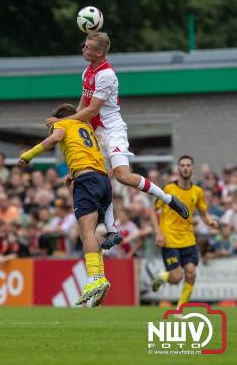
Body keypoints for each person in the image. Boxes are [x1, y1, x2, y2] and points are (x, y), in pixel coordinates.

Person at [46, 32, 189, 242]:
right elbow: (83, 105)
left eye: (87, 47)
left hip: (112, 131)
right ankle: (112, 230)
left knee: (123, 175)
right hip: (96, 133)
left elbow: (92, 110)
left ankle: (168, 199)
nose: (83, 49)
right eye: (84, 46)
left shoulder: (107, 75)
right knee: (99, 177)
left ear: (99, 52)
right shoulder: (87, 72)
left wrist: (63, 123)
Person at [18, 103, 116, 306]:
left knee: (86, 232)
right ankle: (99, 278)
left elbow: (54, 140)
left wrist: (28, 155)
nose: (52, 127)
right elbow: (85, 152)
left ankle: (95, 279)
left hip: (87, 181)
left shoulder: (65, 124)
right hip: (102, 180)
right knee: (89, 232)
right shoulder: (85, 126)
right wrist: (72, 173)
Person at [151, 155, 218, 311]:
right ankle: (162, 277)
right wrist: (158, 233)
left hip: (188, 239)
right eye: (182, 165)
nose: (186, 168)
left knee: (191, 273)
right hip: (170, 239)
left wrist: (210, 222)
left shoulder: (198, 191)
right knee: (176, 277)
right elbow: (153, 211)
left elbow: (203, 212)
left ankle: (180, 308)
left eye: (188, 165)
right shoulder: (169, 189)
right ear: (178, 168)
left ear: (192, 168)